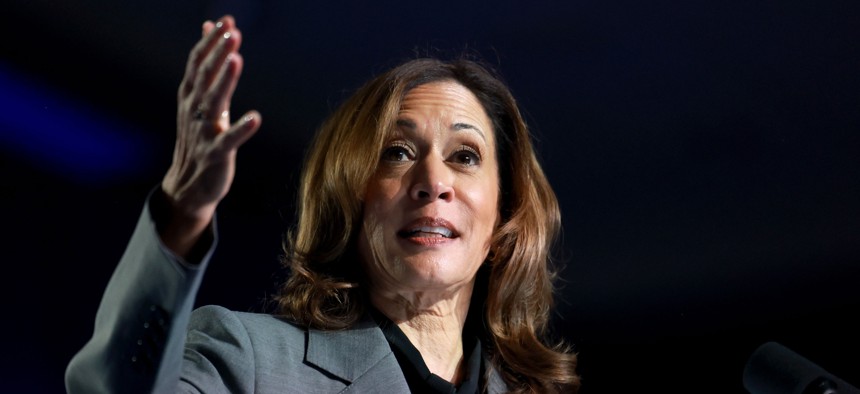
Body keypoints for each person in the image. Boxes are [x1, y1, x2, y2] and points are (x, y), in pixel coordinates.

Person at [65, 14, 580, 394]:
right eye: (396, 152)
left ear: (505, 215)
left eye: (465, 156)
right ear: (348, 199)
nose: (433, 181)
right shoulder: (251, 362)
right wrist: (182, 212)